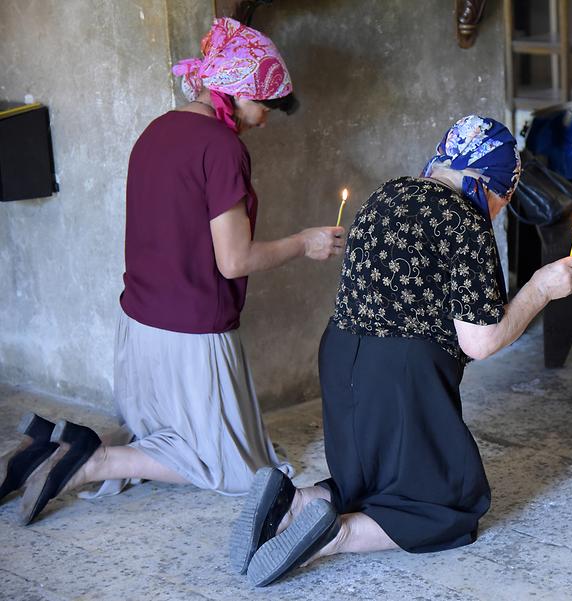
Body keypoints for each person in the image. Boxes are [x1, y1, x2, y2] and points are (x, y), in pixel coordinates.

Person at [0, 17, 345, 524]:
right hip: (191, 335)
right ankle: (90, 460)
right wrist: (305, 242)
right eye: (263, 104)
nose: (265, 119)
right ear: (236, 90)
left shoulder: (157, 130)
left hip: (139, 327)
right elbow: (234, 261)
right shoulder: (224, 148)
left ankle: (53, 447)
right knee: (231, 468)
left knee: (179, 441)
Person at [228, 115, 572, 587]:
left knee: (373, 480)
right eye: (505, 197)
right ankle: (336, 535)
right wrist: (540, 288)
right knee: (449, 505)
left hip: (341, 357)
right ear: (491, 184)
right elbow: (480, 340)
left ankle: (295, 501)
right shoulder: (463, 220)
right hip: (402, 372)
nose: (500, 209)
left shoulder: (386, 193)